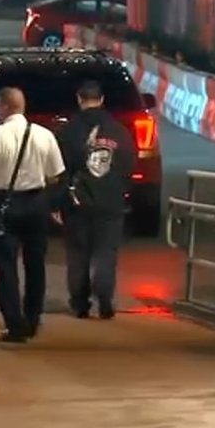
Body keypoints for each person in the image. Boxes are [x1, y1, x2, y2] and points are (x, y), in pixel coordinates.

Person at [0, 87, 65, 342]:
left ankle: (14, 324)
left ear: (4, 107)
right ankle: (32, 319)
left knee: (6, 266)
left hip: (4, 204)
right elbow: (55, 175)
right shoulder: (44, 136)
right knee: (35, 265)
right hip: (36, 203)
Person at [57, 80, 136, 320]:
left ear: (80, 99)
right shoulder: (119, 131)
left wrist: (58, 201)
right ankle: (104, 297)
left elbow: (60, 169)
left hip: (78, 202)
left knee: (78, 253)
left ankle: (80, 303)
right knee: (106, 253)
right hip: (110, 201)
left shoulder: (69, 131)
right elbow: (129, 164)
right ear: (102, 100)